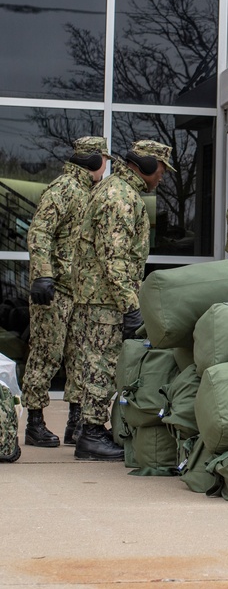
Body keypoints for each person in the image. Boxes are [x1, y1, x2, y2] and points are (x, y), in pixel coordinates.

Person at [69, 140, 174, 461]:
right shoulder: (121, 198)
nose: (161, 178)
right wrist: (130, 306)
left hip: (100, 295)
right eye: (159, 170)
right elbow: (113, 258)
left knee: (94, 362)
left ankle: (88, 430)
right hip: (106, 299)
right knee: (103, 364)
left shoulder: (115, 190)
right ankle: (91, 434)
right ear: (143, 165)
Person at [22, 136, 109, 448]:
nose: (105, 167)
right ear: (94, 160)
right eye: (104, 160)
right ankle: (34, 422)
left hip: (79, 292)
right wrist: (42, 276)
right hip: (56, 290)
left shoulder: (90, 191)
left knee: (79, 358)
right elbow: (40, 231)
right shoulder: (64, 188)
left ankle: (76, 421)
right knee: (47, 354)